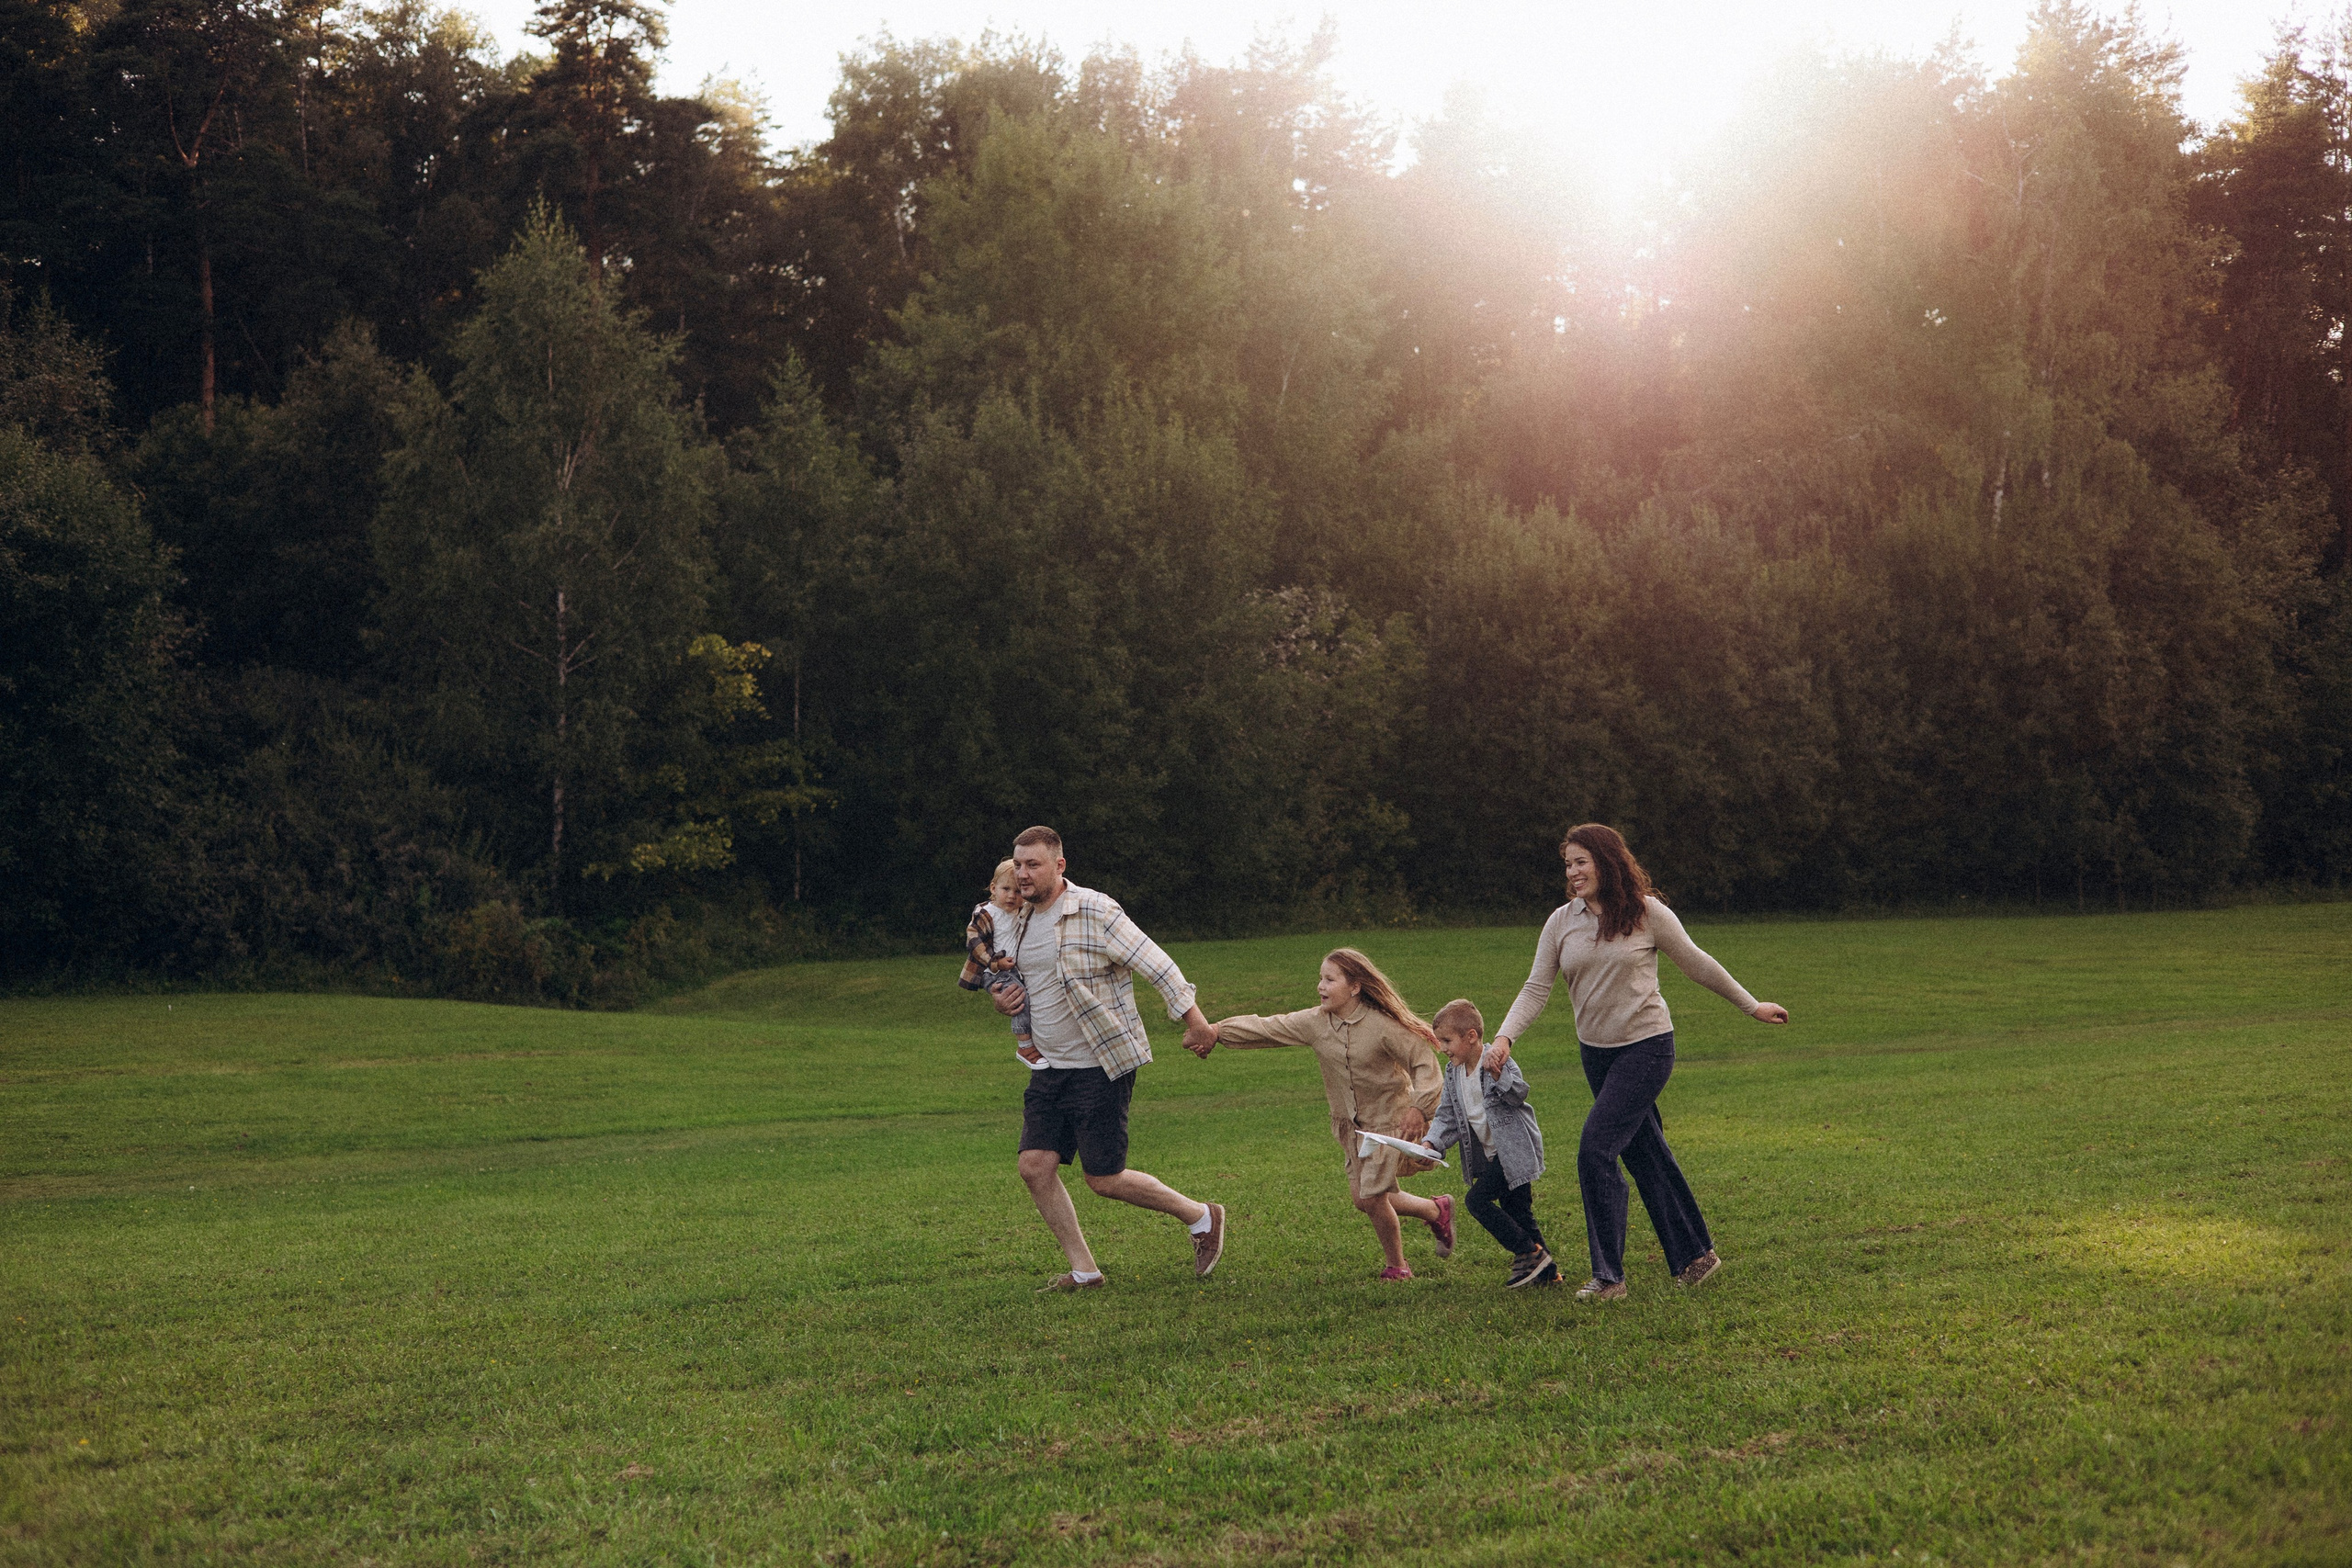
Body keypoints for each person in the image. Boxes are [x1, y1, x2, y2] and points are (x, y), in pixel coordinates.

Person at [1486, 823, 1789, 1301]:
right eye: (1568, 863)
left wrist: (1751, 1005)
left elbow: (1696, 961)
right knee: (1645, 1150)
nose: (1573, 871)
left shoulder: (1646, 913)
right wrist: (1504, 1037)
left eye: (1581, 861)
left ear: (1606, 861)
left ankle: (1609, 1277)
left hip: (1647, 1048)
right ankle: (1696, 1257)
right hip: (1596, 1055)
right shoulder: (1561, 922)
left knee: (1595, 1149)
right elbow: (1536, 987)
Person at [986, 827, 1226, 1291]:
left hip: (1100, 1063)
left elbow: (1157, 964)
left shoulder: (1095, 910)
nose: (1023, 874)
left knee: (1105, 1178)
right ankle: (1085, 1271)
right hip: (1048, 1066)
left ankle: (1200, 1216)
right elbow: (1012, 978)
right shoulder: (1015, 920)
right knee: (1034, 1166)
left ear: (1059, 866)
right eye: (1018, 864)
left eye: (1033, 865)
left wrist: (1196, 1021)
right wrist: (1000, 997)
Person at [1192, 948, 1453, 1280]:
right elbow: (1269, 1028)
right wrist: (1214, 1032)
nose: (1320, 986)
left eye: (1330, 979)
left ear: (1355, 987)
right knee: (1364, 1198)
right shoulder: (1315, 1023)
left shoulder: (1383, 1026)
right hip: (1352, 1128)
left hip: (1390, 1123)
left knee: (1373, 1199)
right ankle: (1436, 1210)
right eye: (1320, 978)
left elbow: (1425, 1064)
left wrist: (1420, 1107)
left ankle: (1397, 1267)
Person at [1421, 998, 1556, 1287]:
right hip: (1491, 1157)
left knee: (1476, 1201)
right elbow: (1447, 1114)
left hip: (1514, 1154)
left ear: (1471, 1037)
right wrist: (1432, 1143)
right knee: (1518, 1213)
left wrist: (1498, 1075)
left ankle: (1527, 1251)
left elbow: (1519, 1094)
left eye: (1447, 1041)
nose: (1442, 1048)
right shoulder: (1454, 1072)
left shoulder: (1497, 1059)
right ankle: (1548, 1272)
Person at [958, 858, 1041, 1066]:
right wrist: (995, 963)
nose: (1012, 896)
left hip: (1014, 970)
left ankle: (1038, 1042)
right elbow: (974, 941)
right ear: (993, 888)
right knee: (1018, 998)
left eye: (1018, 891)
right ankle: (1025, 1047)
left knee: (1032, 999)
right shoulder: (986, 913)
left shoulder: (1021, 911)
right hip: (993, 971)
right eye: (1006, 889)